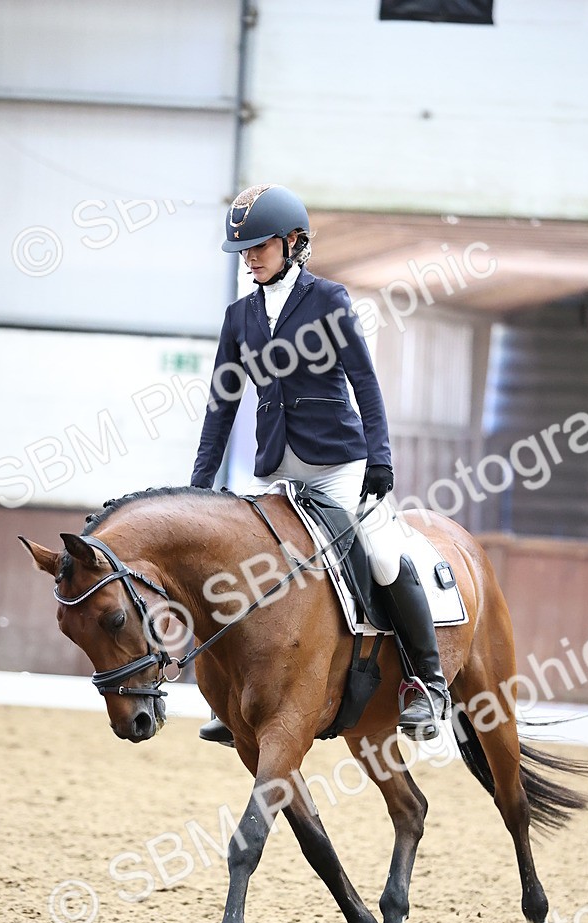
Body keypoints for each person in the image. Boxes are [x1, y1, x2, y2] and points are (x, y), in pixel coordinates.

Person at [191, 184, 450, 744]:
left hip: (338, 464)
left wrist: (380, 460)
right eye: (245, 250)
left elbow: (366, 384)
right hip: (276, 467)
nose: (250, 257)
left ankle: (428, 685)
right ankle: (235, 693)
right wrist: (198, 485)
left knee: (380, 557)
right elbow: (221, 405)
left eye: (260, 246)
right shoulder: (239, 317)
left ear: (294, 243)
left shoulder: (329, 299)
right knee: (243, 565)